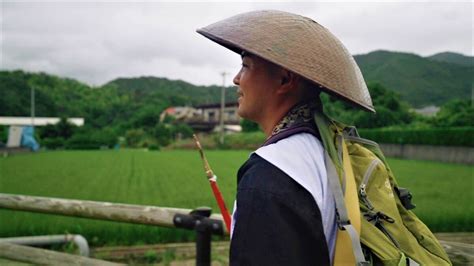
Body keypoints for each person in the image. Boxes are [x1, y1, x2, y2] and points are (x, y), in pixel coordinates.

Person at [197, 10, 374, 265]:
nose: (236, 79)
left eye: (246, 66)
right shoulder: (327, 151)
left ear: (284, 79)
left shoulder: (271, 174)